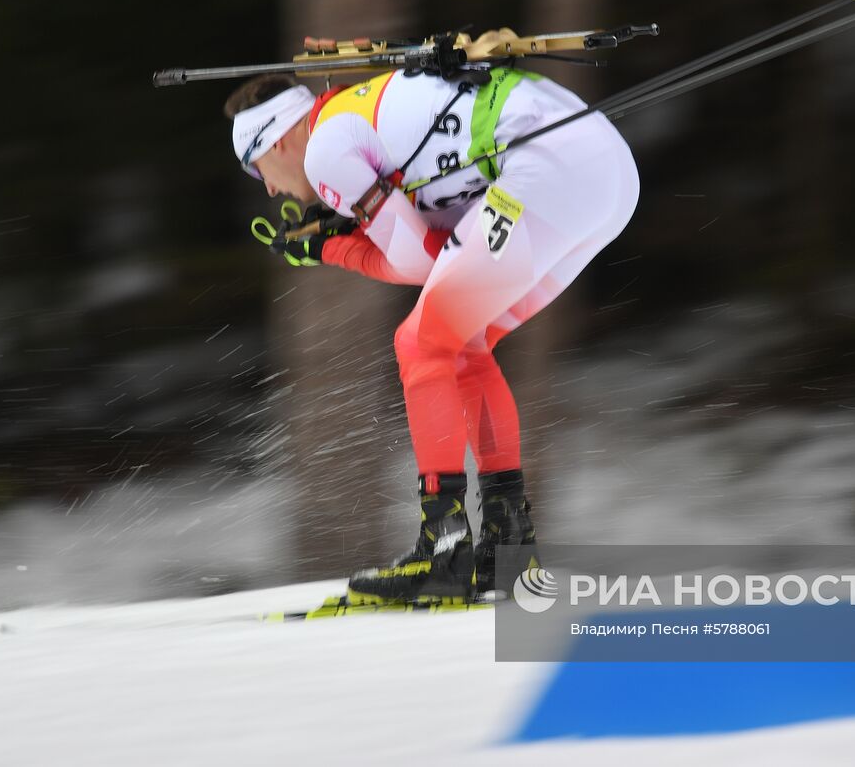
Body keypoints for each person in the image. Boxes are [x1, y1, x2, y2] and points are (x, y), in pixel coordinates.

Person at [224, 61, 639, 604]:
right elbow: (442, 252)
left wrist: (330, 247)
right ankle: (509, 545)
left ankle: (444, 548)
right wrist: (349, 235)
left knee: (420, 342)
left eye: (257, 172)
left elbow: (418, 264)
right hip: (605, 177)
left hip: (549, 171)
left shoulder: (325, 150)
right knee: (462, 342)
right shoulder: (357, 114)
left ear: (276, 141)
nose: (274, 192)